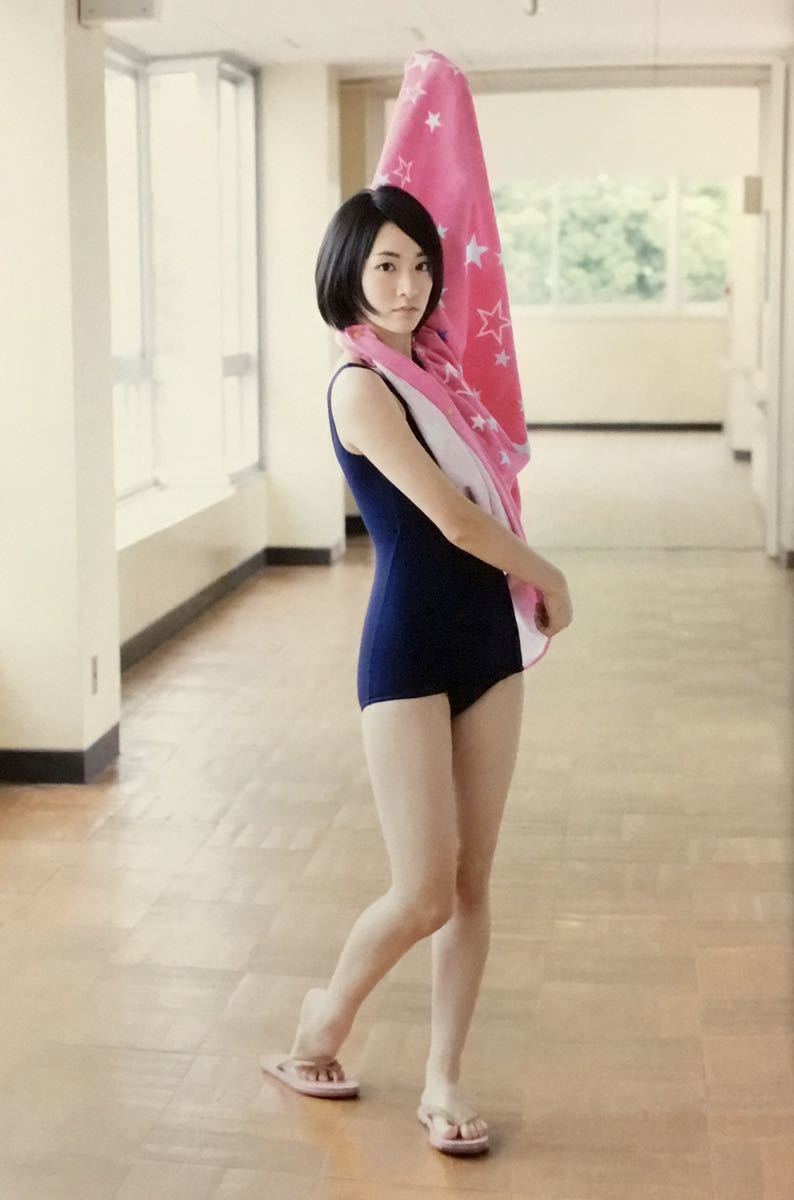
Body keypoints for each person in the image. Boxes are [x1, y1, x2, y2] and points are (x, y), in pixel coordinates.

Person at [260, 185, 573, 1155]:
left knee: (472, 882)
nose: (408, 286)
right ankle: (321, 1022)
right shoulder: (360, 386)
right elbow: (453, 520)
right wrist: (551, 575)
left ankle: (443, 1079)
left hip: (487, 648)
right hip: (406, 649)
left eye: (421, 265)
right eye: (386, 266)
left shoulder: (436, 372)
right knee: (423, 890)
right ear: (348, 274)